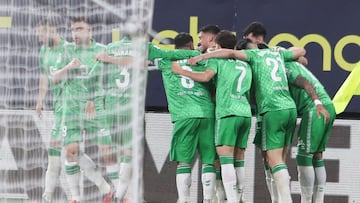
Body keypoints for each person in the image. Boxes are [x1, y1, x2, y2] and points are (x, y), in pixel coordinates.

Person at [188, 40, 306, 203]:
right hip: (290, 108)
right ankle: (275, 199)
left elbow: (230, 53)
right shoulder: (277, 53)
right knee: (279, 159)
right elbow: (301, 51)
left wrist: (204, 56)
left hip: (271, 108)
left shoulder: (252, 56)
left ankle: (284, 200)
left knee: (274, 159)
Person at [242, 22, 332, 203]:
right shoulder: (279, 56)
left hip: (303, 107)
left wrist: (316, 102)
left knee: (295, 156)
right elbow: (302, 57)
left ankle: (294, 200)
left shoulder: (273, 60)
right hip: (305, 106)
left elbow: (303, 76)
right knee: (311, 156)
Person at [172, 30, 252, 203]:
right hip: (246, 113)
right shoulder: (246, 63)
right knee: (239, 160)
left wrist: (181, 71)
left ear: (219, 46)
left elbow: (205, 76)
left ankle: (231, 200)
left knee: (225, 160)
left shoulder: (217, 60)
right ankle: (240, 197)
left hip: (228, 112)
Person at [52, 17, 114, 203]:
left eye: (79, 29)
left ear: (90, 31)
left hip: (95, 108)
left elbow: (108, 81)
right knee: (71, 151)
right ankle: (76, 197)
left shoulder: (102, 50)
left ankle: (118, 191)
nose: (75, 33)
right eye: (72, 30)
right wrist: (69, 66)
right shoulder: (67, 50)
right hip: (71, 110)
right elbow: (55, 78)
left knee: (108, 152)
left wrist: (94, 98)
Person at [157, 32, 216, 203]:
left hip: (184, 115)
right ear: (191, 45)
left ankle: (183, 200)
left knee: (183, 162)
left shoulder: (166, 62)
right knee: (209, 160)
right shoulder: (202, 59)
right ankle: (208, 199)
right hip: (207, 113)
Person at [285, 61, 335, 203]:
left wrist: (317, 103)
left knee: (303, 156)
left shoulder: (285, 67)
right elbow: (303, 57)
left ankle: (306, 201)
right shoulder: (292, 62)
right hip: (329, 105)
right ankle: (318, 200)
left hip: (315, 108)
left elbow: (305, 82)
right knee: (317, 156)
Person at [35, 18, 71, 202]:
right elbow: (44, 76)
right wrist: (40, 101)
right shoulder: (44, 51)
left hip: (72, 107)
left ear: (53, 29)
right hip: (59, 108)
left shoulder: (68, 49)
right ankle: (48, 196)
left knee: (64, 150)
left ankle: (48, 196)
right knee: (60, 151)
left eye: (42, 34)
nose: (40, 39)